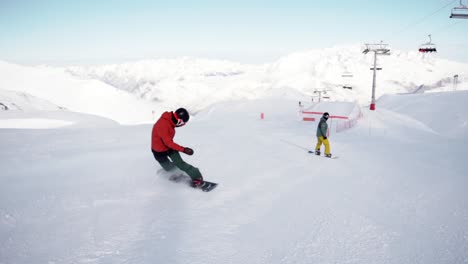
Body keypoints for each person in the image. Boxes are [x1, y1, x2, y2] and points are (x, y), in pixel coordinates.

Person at [151, 108, 204, 186]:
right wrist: (184, 149)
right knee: (168, 167)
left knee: (180, 163)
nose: (183, 125)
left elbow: (168, 143)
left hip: (169, 148)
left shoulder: (170, 121)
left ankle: (197, 177)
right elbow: (168, 143)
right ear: (179, 121)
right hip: (159, 151)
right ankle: (176, 173)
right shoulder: (163, 125)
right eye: (183, 123)